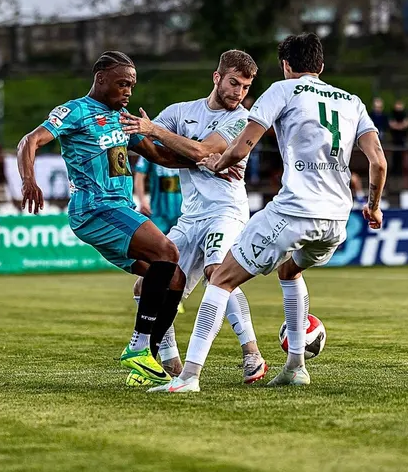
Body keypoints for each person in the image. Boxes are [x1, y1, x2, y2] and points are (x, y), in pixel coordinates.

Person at [149, 32, 388, 393]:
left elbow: (243, 145)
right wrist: (372, 205)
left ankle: (189, 376)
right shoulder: (352, 101)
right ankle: (295, 366)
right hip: (338, 218)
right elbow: (378, 162)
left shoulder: (282, 90)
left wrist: (219, 162)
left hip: (295, 210)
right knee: (290, 270)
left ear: (286, 65)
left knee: (221, 280)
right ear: (321, 66)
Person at [17, 51, 193, 386]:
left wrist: (212, 159)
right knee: (167, 252)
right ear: (101, 79)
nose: (128, 90)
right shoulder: (75, 111)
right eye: (122, 83)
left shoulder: (124, 118)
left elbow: (161, 156)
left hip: (118, 210)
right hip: (96, 208)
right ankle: (139, 345)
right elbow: (30, 141)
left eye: (132, 85)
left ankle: (145, 364)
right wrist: (29, 179)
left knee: (175, 280)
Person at [119, 50, 266, 385]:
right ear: (217, 77)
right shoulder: (181, 113)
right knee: (147, 285)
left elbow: (202, 150)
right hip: (191, 216)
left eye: (244, 87)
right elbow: (156, 151)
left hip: (225, 211)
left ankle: (252, 355)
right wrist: (133, 133)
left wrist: (155, 131)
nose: (238, 93)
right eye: (233, 83)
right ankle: (167, 362)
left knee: (219, 273)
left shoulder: (242, 119)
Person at [133, 154, 182, 232]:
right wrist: (142, 201)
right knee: (158, 243)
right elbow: (139, 175)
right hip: (158, 211)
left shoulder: (183, 147)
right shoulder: (150, 147)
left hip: (182, 210)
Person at [388, 100, 408, 181]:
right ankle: (394, 171)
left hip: (403, 138)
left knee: (402, 155)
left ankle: (400, 171)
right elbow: (391, 124)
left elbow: (407, 123)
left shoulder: (405, 114)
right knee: (395, 155)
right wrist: (400, 126)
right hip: (394, 138)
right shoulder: (392, 114)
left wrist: (399, 126)